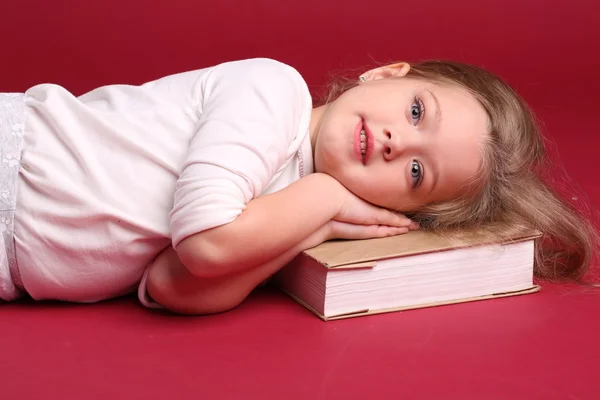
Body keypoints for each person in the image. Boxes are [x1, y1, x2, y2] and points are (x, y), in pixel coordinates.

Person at [0, 58, 597, 314]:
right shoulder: (273, 93)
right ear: (385, 71)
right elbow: (203, 248)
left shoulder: (285, 212)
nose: (397, 143)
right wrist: (329, 200)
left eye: (417, 174)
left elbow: (172, 286)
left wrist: (313, 224)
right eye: (417, 112)